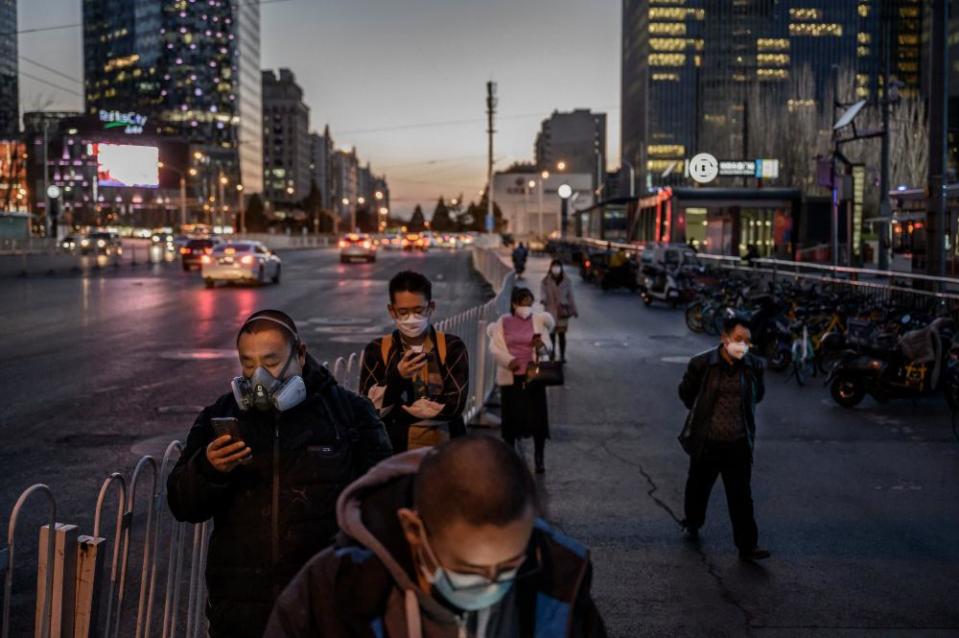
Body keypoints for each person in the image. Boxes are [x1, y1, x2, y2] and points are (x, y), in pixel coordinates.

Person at [167, 309, 393, 638]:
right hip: (240, 612)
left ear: (300, 354)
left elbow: (384, 502)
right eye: (248, 364)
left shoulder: (349, 414)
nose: (259, 377)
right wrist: (207, 469)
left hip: (324, 605)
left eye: (272, 362)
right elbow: (181, 505)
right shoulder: (219, 416)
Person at [265, 436, 607, 637]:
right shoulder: (335, 592)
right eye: (469, 570)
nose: (492, 586)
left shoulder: (558, 577)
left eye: (509, 567)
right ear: (415, 531)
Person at [677, 316, 770, 561]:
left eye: (747, 341)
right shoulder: (701, 364)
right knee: (698, 487)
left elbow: (757, 395)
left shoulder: (754, 366)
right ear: (724, 339)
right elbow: (686, 394)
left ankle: (747, 546)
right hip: (708, 442)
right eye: (738, 339)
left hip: (738, 443)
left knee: (741, 497)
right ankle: (693, 522)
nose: (743, 345)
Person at [360, 271, 469, 453]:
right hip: (394, 453)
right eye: (403, 312)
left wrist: (394, 406)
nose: (411, 318)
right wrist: (398, 377)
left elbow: (455, 404)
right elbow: (367, 410)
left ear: (431, 307)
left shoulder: (451, 347)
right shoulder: (378, 350)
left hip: (444, 452)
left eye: (418, 311)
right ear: (392, 311)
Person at [487, 287, 555, 473]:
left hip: (534, 378)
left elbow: (548, 347)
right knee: (511, 420)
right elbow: (494, 347)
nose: (527, 307)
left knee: (538, 420)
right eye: (524, 303)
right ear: (514, 304)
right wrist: (509, 361)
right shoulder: (503, 322)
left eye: (530, 303)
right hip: (512, 379)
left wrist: (541, 346)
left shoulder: (538, 320)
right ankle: (510, 459)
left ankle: (539, 458)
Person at [540, 259, 578, 363]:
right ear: (551, 268)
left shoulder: (567, 281)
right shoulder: (545, 281)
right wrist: (543, 300)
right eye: (554, 266)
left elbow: (571, 297)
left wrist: (574, 310)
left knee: (562, 336)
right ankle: (552, 355)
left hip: (562, 312)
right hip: (550, 311)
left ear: (561, 268)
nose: (556, 269)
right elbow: (543, 293)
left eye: (558, 266)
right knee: (551, 336)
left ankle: (562, 356)